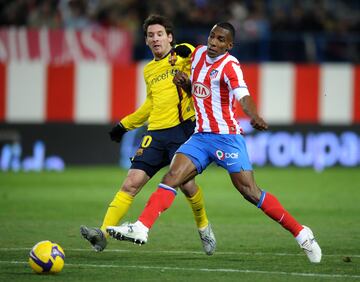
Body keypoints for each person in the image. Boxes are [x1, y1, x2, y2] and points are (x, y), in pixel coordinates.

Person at [106, 22, 322, 263]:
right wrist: (186, 85)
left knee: (250, 192)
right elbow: (198, 91)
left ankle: (301, 233)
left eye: (220, 39)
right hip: (200, 137)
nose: (213, 42)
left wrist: (255, 116)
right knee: (171, 177)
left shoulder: (231, 66)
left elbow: (244, 97)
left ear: (229, 45)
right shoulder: (197, 54)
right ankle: (142, 227)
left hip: (227, 138)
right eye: (211, 36)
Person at [80, 14, 216, 256]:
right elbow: (150, 105)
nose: (155, 39)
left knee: (188, 186)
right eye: (151, 35)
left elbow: (201, 60)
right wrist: (124, 125)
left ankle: (204, 227)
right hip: (155, 133)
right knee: (131, 183)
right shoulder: (149, 69)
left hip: (182, 131)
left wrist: (188, 50)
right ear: (146, 41)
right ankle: (101, 234)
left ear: (170, 37)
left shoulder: (183, 57)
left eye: (160, 34)